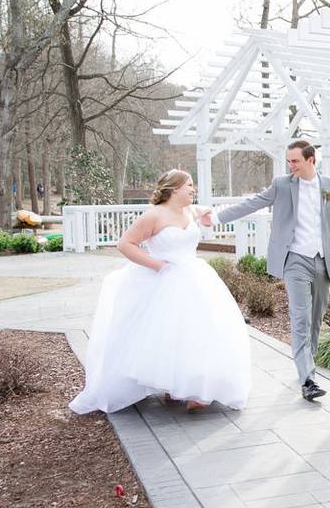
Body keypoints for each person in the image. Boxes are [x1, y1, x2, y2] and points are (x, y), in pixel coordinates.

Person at [69, 169, 251, 414]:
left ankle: (191, 388)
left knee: (197, 331)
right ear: (174, 189)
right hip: (164, 278)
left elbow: (203, 210)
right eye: (189, 185)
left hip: (195, 277)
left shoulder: (189, 210)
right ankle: (172, 385)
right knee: (166, 333)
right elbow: (125, 244)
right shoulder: (154, 216)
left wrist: (207, 214)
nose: (193, 189)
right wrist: (157, 265)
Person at [203, 140, 330, 401]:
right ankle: (308, 379)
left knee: (315, 319)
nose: (291, 166)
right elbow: (253, 203)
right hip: (295, 260)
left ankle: (307, 367)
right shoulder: (282, 184)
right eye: (289, 161)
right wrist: (218, 218)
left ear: (311, 160)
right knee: (300, 317)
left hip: (323, 262)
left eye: (295, 161)